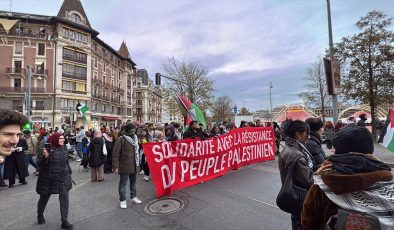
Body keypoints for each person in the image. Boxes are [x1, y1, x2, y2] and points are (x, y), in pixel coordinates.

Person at [301, 127, 393, 230]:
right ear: (370, 150)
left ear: (339, 152)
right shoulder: (388, 181)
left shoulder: (322, 185)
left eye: (334, 148)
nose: (332, 150)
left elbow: (309, 223)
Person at [278, 120, 314, 230]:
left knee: (297, 220)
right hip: (301, 197)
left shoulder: (288, 148)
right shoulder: (296, 154)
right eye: (306, 133)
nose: (308, 136)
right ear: (298, 134)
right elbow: (309, 180)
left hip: (294, 195)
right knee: (302, 222)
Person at [36, 133, 73, 230]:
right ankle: (40, 215)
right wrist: (45, 157)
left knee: (65, 200)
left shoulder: (64, 148)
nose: (62, 140)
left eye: (63, 138)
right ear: (55, 139)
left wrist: (69, 171)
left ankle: (64, 221)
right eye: (60, 138)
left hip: (63, 178)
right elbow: (40, 165)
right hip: (48, 179)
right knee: (44, 199)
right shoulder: (46, 148)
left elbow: (66, 162)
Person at [112, 123, 142, 209]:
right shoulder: (121, 139)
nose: (133, 131)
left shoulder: (136, 138)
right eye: (132, 130)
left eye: (134, 130)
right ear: (127, 130)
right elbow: (115, 154)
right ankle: (122, 200)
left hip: (135, 164)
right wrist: (115, 166)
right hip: (124, 165)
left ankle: (133, 197)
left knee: (133, 183)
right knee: (123, 184)